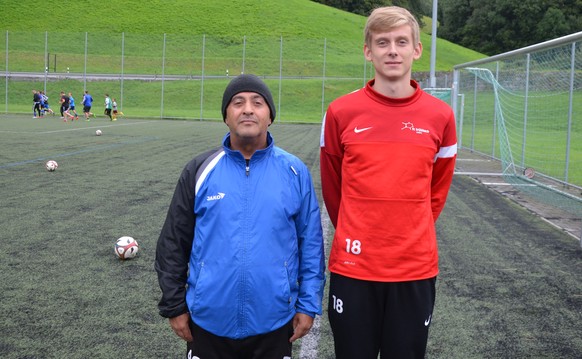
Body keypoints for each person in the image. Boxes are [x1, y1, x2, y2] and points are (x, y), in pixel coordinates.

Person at [319, 6, 457, 359]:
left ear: (416, 50)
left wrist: (409, 230)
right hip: (354, 268)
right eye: (382, 42)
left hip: (413, 269)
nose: (392, 50)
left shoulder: (441, 117)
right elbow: (333, 189)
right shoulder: (340, 112)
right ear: (368, 51)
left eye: (400, 41)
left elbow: (436, 192)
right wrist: (357, 230)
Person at [155, 74, 325, 359]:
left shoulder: (294, 171)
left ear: (270, 116)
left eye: (257, 103)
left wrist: (307, 306)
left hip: (273, 321)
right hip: (208, 321)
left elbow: (310, 244)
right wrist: (175, 306)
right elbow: (173, 242)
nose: (247, 109)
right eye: (238, 102)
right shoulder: (199, 170)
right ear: (226, 116)